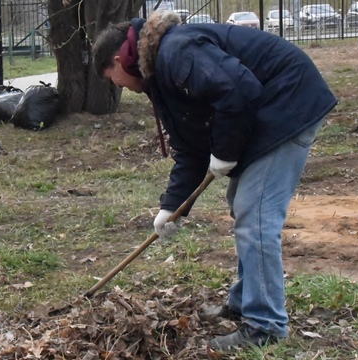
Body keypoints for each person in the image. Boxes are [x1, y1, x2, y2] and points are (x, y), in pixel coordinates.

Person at [90, 11, 337, 353]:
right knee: (242, 204)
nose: (121, 87)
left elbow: (237, 90)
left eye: (114, 80)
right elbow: (189, 148)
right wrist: (171, 207)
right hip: (267, 111)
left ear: (120, 60)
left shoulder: (176, 52)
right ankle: (244, 301)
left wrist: (223, 151)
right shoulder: (158, 73)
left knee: (256, 216)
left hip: (288, 102)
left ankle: (265, 325)